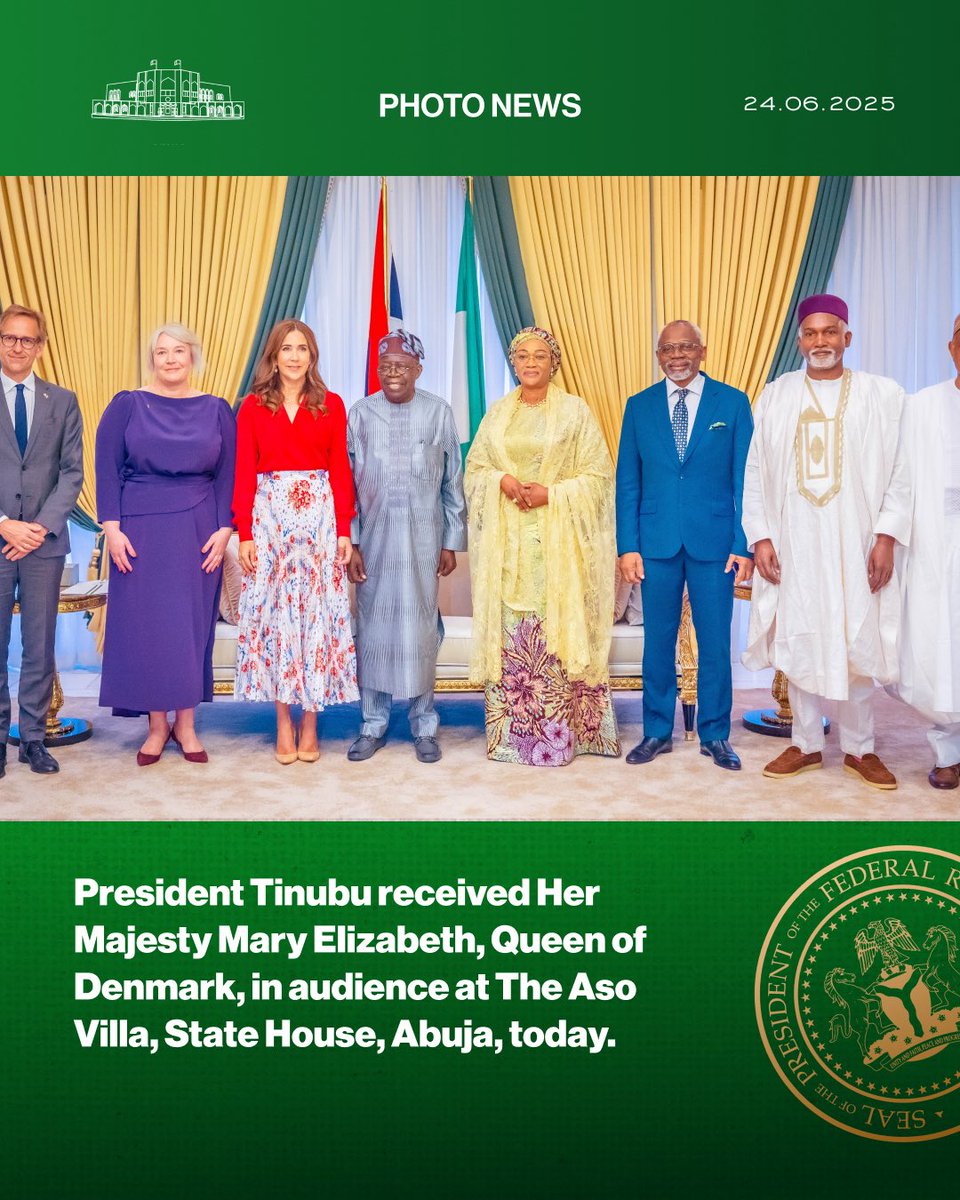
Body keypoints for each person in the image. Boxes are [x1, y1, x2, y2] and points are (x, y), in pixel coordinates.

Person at [742, 294, 910, 789]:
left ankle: (861, 749)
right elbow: (755, 471)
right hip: (795, 543)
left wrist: (886, 536)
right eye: (812, 333)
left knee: (855, 633)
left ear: (847, 338)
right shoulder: (775, 395)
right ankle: (807, 743)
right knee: (802, 635)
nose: (821, 342)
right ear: (800, 340)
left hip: (857, 541)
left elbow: (901, 472)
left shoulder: (882, 396)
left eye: (830, 332)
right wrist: (762, 536)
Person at [465, 326, 620, 766]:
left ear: (554, 362)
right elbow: (474, 470)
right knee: (515, 637)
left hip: (559, 547)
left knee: (557, 636)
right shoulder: (497, 414)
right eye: (522, 356)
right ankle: (514, 741)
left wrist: (552, 495)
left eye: (539, 356)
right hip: (508, 547)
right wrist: (503, 480)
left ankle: (567, 739)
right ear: (513, 363)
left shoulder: (575, 412)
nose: (530, 363)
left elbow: (598, 478)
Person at [96, 324, 235, 765]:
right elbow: (106, 466)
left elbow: (229, 473)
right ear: (152, 359)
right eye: (161, 352)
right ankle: (157, 727)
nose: (170, 359)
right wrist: (112, 528)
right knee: (149, 629)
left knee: (189, 627)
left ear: (193, 356)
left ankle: (188, 726)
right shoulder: (127, 405)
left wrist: (225, 528)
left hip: (198, 530)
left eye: (179, 351)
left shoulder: (217, 409)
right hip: (138, 530)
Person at [616, 321, 754, 770]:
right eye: (668, 348)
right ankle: (656, 731)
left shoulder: (732, 404)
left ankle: (715, 735)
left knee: (715, 644)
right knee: (657, 642)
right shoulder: (638, 407)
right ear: (659, 355)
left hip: (716, 544)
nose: (677, 355)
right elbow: (628, 484)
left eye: (686, 347)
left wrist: (743, 542)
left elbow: (744, 480)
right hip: (654, 544)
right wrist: (627, 546)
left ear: (702, 351)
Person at [233, 320, 357, 764]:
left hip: (318, 521)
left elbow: (341, 470)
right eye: (286, 348)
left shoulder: (331, 405)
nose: (294, 356)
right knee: (276, 618)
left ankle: (310, 722)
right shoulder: (251, 407)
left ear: (312, 356)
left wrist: (344, 528)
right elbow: (244, 470)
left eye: (302, 348)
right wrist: (244, 533)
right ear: (274, 355)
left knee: (315, 619)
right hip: (269, 522)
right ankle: (283, 721)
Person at [346, 329, 466, 763]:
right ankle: (372, 725)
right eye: (385, 366)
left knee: (419, 632)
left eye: (401, 365)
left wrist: (451, 541)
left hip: (422, 542)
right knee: (373, 630)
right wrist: (353, 542)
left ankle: (424, 726)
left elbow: (453, 482)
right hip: (374, 545)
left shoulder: (438, 413)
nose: (392, 373)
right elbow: (346, 486)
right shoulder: (359, 414)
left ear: (419, 368)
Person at [0, 304, 83, 776]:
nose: (17, 347)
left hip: (44, 544)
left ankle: (33, 740)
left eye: (27, 340)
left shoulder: (63, 400)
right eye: (10, 338)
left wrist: (38, 528)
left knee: (40, 644)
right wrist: (4, 523)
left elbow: (72, 473)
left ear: (40, 346)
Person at [886, 314, 960, 789]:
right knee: (941, 652)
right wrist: (891, 539)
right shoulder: (922, 406)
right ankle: (947, 753)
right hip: (938, 546)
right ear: (952, 347)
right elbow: (901, 480)